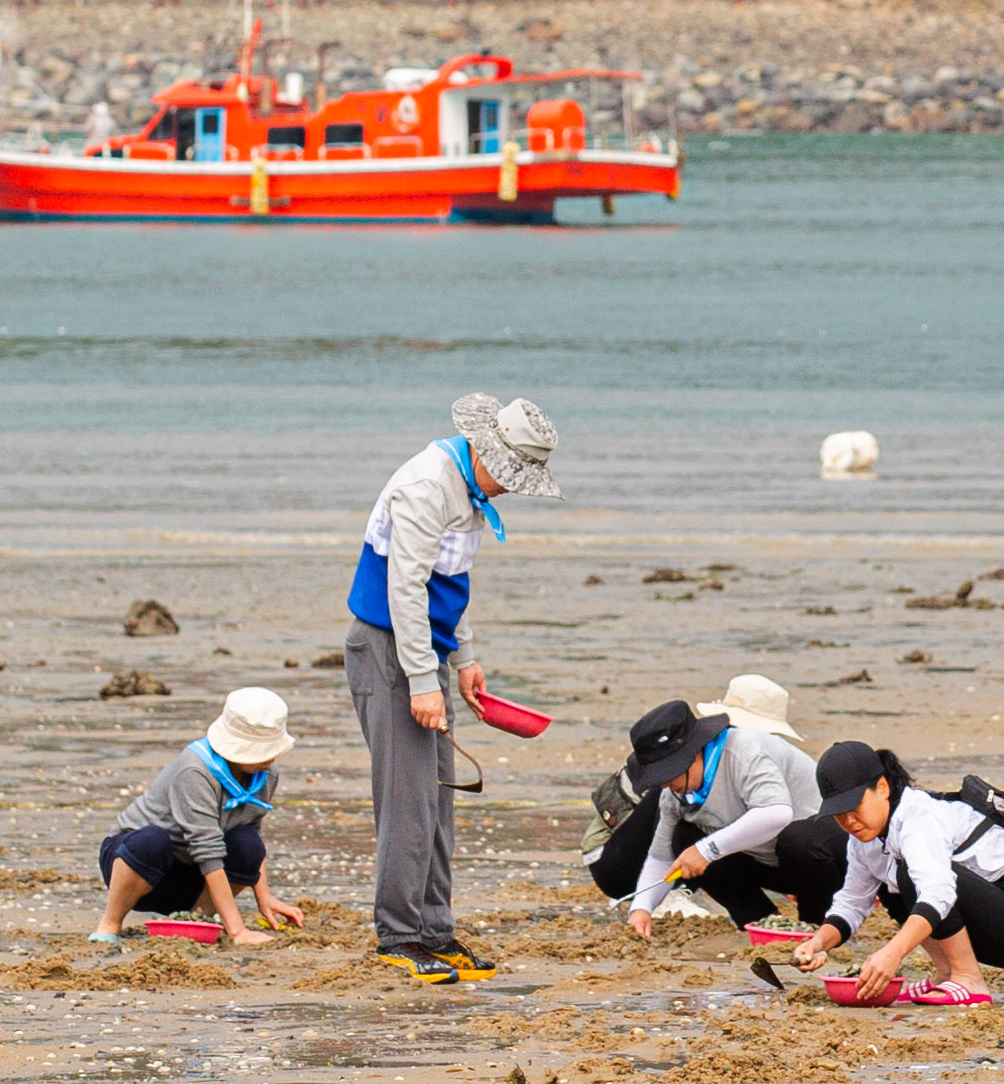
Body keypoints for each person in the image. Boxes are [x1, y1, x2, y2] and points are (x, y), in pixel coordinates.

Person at [347, 393, 553, 988]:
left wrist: (463, 659)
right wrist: (420, 681)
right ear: (488, 453)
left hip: (425, 653)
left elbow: (452, 581)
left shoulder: (471, 492)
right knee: (406, 800)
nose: (516, 487)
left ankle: (435, 929)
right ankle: (399, 935)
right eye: (516, 474)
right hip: (387, 649)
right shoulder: (425, 486)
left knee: (439, 795)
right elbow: (404, 590)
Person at [789, 746, 1004, 1001]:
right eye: (839, 813)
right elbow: (852, 902)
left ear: (882, 788)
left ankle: (969, 978)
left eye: (854, 807)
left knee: (908, 875)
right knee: (890, 881)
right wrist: (817, 943)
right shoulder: (865, 838)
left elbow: (939, 893)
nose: (848, 821)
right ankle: (947, 975)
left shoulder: (918, 818)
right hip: (989, 920)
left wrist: (892, 954)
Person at [97, 687, 311, 947]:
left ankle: (195, 920)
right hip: (139, 865)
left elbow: (253, 832)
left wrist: (264, 896)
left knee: (248, 842)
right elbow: (206, 850)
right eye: (260, 753)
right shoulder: (195, 770)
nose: (269, 760)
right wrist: (237, 931)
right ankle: (110, 922)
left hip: (193, 878)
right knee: (153, 841)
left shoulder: (266, 772)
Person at [602, 675, 819, 926]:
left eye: (666, 773)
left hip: (818, 860)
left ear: (693, 755)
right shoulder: (673, 793)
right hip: (766, 861)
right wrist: (641, 908)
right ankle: (760, 922)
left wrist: (705, 850)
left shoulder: (746, 750)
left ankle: (816, 926)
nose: (663, 784)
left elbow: (776, 814)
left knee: (797, 839)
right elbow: (661, 856)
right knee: (683, 837)